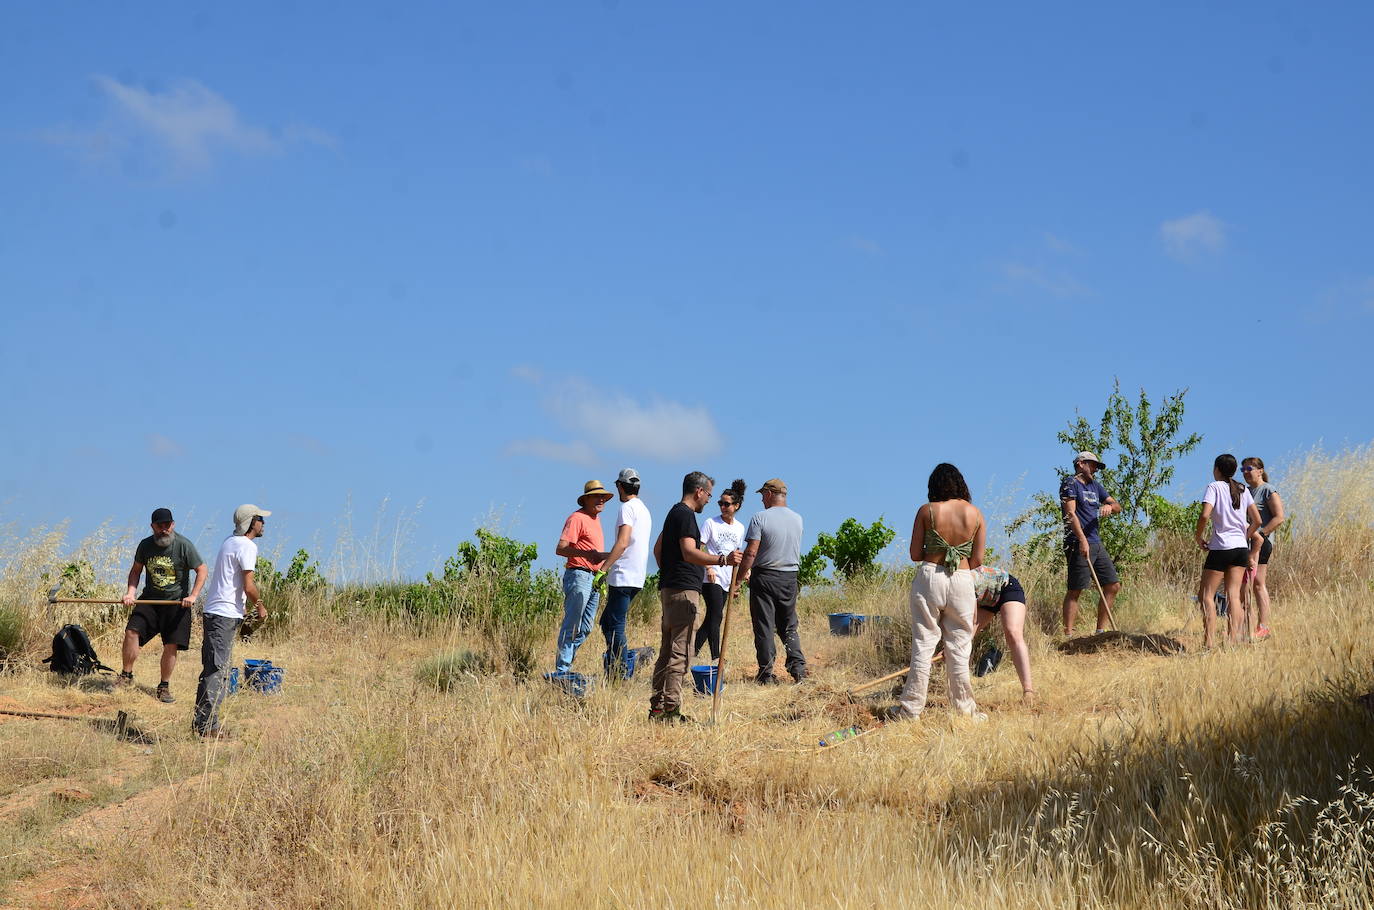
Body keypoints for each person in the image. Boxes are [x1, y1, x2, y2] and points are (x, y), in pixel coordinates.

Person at [893, 464, 986, 722]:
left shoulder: (927, 511)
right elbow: (978, 558)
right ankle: (965, 711)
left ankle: (910, 711)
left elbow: (914, 554)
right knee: (959, 646)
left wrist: (936, 553)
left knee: (923, 643)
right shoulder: (975, 514)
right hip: (963, 580)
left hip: (931, 575)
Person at [647, 472, 741, 723]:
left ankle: (657, 708)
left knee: (667, 652)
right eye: (710, 495)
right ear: (699, 491)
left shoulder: (673, 514)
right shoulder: (687, 516)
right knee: (681, 652)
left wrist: (669, 574)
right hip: (684, 591)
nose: (710, 501)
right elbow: (689, 552)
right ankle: (670, 710)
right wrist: (723, 559)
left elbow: (658, 549)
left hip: (670, 589)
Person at [193, 505, 270, 739]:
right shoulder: (247, 546)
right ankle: (207, 727)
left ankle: (204, 723)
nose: (263, 524)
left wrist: (242, 604)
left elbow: (232, 582)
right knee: (217, 669)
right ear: (251, 522)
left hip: (220, 612)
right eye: (260, 519)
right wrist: (260, 605)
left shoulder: (229, 541)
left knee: (216, 668)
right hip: (223, 615)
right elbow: (249, 584)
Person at [118, 507, 207, 703]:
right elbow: (136, 571)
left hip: (177, 603)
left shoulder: (184, 545)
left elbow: (202, 569)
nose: (164, 529)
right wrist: (131, 593)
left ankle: (163, 686)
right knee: (132, 632)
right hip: (149, 599)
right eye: (160, 525)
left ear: (173, 525)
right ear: (152, 526)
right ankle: (126, 675)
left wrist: (192, 596)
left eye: (168, 525)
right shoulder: (145, 546)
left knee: (171, 645)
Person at [736, 478, 807, 684]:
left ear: (768, 494)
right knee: (788, 626)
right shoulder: (798, 519)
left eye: (762, 496)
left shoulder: (760, 518)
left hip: (765, 576)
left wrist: (739, 579)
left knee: (765, 626)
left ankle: (766, 674)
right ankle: (798, 669)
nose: (761, 500)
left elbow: (750, 553)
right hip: (790, 577)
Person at [1195, 454, 1262, 649]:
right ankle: (1232, 642)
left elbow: (1205, 515)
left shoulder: (1213, 487)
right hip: (1240, 548)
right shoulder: (1242, 489)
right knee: (1234, 595)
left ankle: (1209, 643)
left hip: (1220, 547)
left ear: (1217, 469)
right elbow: (1257, 521)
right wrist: (1245, 535)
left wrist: (1198, 536)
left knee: (1206, 595)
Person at [553, 480, 614, 673]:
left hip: (593, 577)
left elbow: (593, 552)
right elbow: (561, 548)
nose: (601, 499)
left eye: (603, 496)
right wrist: (588, 555)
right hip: (579, 574)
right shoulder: (577, 518)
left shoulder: (596, 521)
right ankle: (562, 669)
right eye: (597, 496)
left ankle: (566, 662)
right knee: (572, 624)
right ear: (586, 499)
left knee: (586, 627)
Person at [597, 469, 653, 679]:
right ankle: (616, 665)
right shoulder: (644, 509)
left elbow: (623, 541)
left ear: (620, 486)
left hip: (623, 574)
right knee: (607, 622)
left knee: (615, 624)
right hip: (637, 576)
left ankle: (619, 672)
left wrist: (603, 569)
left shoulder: (627, 508)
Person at [1060, 451, 1122, 635]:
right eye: (1092, 464)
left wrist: (1109, 506)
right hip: (1076, 542)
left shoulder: (1096, 486)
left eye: (1096, 466)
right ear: (1080, 464)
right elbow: (1071, 514)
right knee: (1076, 589)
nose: (1095, 469)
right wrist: (1082, 540)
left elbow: (1118, 506)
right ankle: (1068, 635)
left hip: (1096, 541)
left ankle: (1100, 632)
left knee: (1113, 585)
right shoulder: (1069, 483)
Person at [694, 478, 748, 662]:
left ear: (736, 506)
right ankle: (716, 657)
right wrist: (708, 566)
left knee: (712, 617)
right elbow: (698, 547)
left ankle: (693, 650)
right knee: (716, 615)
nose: (722, 507)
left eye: (726, 504)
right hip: (711, 577)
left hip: (727, 579)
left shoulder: (740, 528)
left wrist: (743, 573)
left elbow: (737, 554)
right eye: (720, 503)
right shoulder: (711, 523)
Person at [972, 566, 1034, 699]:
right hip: (986, 599)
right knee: (963, 639)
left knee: (1013, 633)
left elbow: (970, 615)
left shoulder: (961, 583)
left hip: (1006, 587)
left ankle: (1028, 691)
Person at [1241, 456, 1285, 640]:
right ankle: (1245, 626)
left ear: (1260, 470)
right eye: (1242, 470)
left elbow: (1279, 517)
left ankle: (1263, 626)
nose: (1245, 472)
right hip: (1245, 542)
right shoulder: (1245, 492)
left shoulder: (1267, 490)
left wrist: (1262, 534)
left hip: (1261, 542)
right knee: (1246, 584)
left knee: (1257, 584)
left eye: (1249, 468)